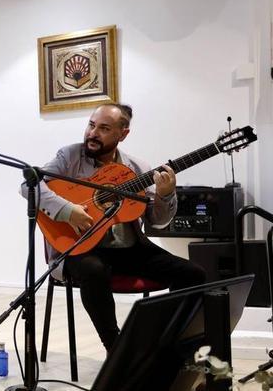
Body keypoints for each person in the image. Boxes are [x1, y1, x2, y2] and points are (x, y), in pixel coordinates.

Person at [22, 103, 206, 351]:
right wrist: (67, 211)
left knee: (193, 274)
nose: (92, 133)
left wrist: (166, 195)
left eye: (104, 128)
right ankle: (116, 348)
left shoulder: (137, 168)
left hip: (130, 249)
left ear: (123, 134)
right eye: (91, 125)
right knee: (94, 269)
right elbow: (30, 186)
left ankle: (169, 343)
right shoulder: (70, 156)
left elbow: (157, 221)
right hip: (80, 249)